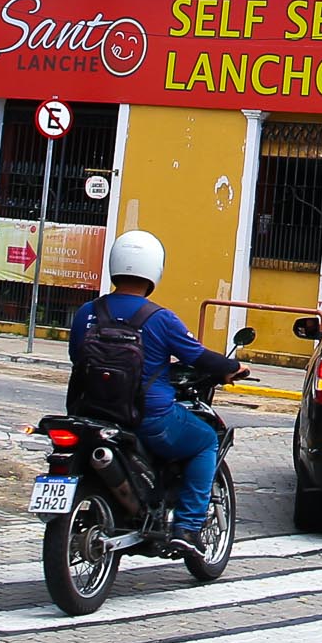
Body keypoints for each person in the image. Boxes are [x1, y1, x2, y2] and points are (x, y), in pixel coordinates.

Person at [68, 230, 243, 546]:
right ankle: (188, 527)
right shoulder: (160, 319)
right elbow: (198, 356)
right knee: (205, 440)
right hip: (147, 418)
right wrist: (233, 368)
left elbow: (76, 358)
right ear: (154, 271)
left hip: (90, 413)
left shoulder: (87, 312)